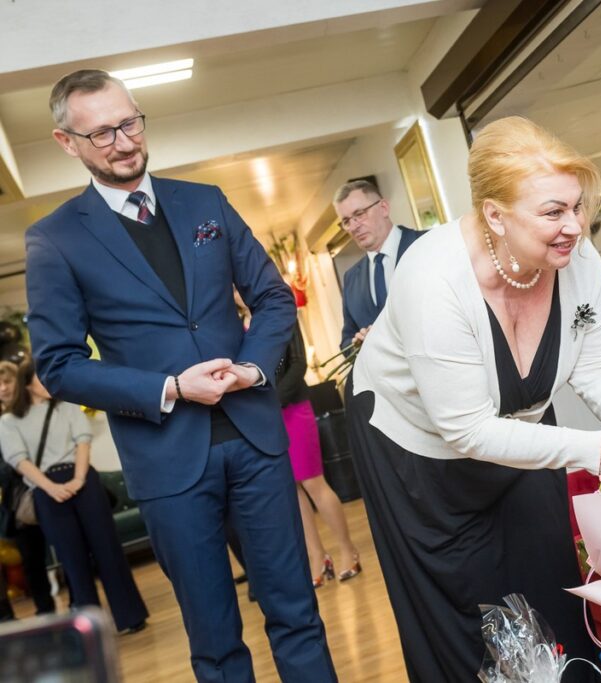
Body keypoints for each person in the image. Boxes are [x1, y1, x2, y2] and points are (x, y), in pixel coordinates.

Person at [25, 69, 335, 682]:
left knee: (297, 613)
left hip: (254, 441)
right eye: (102, 133)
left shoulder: (205, 202)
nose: (122, 141)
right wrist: (168, 388)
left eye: (130, 122)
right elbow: (58, 365)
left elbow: (272, 297)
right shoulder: (54, 240)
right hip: (167, 462)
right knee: (216, 642)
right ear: (68, 143)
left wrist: (251, 366)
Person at [347, 115, 601, 682]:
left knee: (550, 586)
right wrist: (594, 448)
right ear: (494, 215)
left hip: (523, 436)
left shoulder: (579, 260)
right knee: (469, 618)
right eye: (552, 212)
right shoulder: (433, 278)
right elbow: (467, 430)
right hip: (422, 457)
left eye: (576, 207)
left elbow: (594, 357)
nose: (573, 226)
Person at [0, 359, 148, 633]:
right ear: (28, 384)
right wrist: (51, 487)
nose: (49, 383)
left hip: (83, 482)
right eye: (42, 379)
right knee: (72, 559)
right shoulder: (9, 421)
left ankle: (131, 617)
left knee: (108, 549)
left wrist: (79, 478)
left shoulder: (66, 404)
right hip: (46, 490)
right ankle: (89, 629)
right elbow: (19, 461)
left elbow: (83, 440)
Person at [237, 290, 361, 588]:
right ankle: (318, 557)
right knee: (290, 489)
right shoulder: (233, 325)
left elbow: (299, 364)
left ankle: (348, 550)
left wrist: (272, 401)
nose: (236, 293)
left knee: (313, 483)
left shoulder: (279, 312)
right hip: (263, 418)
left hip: (292, 407)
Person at [334, 179, 422, 351]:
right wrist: (357, 345)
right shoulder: (351, 278)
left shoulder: (426, 244)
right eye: (346, 221)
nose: (353, 226)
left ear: (383, 208)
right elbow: (346, 341)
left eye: (359, 214)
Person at [0, 360, 56, 618]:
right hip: (20, 500)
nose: (2, 389)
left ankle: (81, 603)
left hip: (52, 487)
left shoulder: (37, 409)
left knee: (68, 549)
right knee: (31, 560)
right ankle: (45, 611)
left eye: (7, 382)